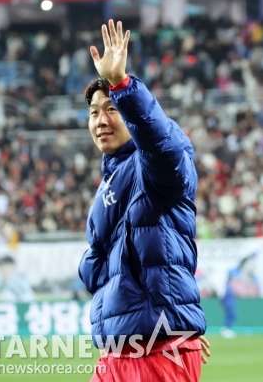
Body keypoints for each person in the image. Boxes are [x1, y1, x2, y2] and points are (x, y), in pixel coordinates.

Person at [78, 19, 209, 382]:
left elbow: (160, 143)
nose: (100, 121)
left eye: (111, 109)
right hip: (118, 350)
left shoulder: (156, 160)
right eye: (93, 112)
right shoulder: (109, 183)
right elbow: (100, 267)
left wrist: (122, 85)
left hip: (156, 352)